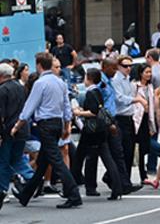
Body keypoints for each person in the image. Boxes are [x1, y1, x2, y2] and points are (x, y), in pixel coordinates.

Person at [11, 52, 82, 209]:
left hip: (46, 124)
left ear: (38, 65)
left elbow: (30, 105)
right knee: (43, 161)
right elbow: (66, 105)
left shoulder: (40, 83)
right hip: (57, 123)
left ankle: (73, 194)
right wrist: (67, 124)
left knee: (56, 160)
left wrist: (18, 124)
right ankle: (26, 194)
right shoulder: (60, 82)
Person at [71, 68, 122, 200]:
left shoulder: (90, 93)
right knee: (106, 158)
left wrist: (79, 113)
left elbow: (93, 112)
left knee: (80, 157)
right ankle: (117, 187)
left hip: (91, 130)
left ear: (89, 78)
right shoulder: (98, 91)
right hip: (100, 130)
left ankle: (72, 185)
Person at [111, 56, 147, 187]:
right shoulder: (116, 80)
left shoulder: (127, 80)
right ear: (119, 66)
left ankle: (124, 180)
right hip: (120, 117)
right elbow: (119, 98)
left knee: (129, 150)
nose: (128, 68)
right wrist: (136, 100)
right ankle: (122, 181)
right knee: (124, 151)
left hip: (129, 117)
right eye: (125, 66)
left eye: (130, 66)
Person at [0, 62, 31, 209]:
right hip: (22, 129)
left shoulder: (2, 90)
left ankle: (2, 190)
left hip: (8, 131)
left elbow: (1, 115)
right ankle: (32, 178)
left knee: (4, 161)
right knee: (17, 159)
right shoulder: (20, 88)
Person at [132, 64, 156, 185]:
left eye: (150, 72)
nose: (149, 74)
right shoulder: (135, 86)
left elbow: (152, 106)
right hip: (137, 119)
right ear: (141, 73)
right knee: (136, 148)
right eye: (146, 72)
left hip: (146, 119)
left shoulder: (150, 87)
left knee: (144, 147)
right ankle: (142, 174)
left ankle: (143, 174)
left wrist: (152, 125)